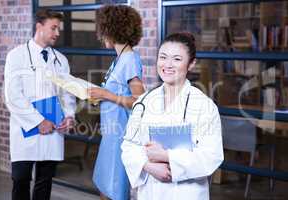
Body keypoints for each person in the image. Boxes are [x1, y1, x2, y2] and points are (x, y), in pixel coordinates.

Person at [121, 32, 224, 200]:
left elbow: (212, 156)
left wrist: (167, 157)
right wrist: (147, 165)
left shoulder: (204, 106)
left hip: (186, 193)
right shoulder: (145, 101)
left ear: (191, 64)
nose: (167, 65)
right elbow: (128, 146)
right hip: (150, 192)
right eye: (163, 57)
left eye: (177, 59)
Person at [4, 9, 76, 200]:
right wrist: (38, 122)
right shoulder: (16, 56)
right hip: (25, 130)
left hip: (53, 131)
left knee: (44, 183)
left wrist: (70, 116)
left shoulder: (61, 60)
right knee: (20, 180)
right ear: (39, 26)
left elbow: (67, 94)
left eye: (58, 28)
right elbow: (12, 96)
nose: (57, 33)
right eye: (53, 28)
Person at [87, 4, 145, 200]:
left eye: (101, 31)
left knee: (113, 192)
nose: (99, 36)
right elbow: (114, 93)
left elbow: (139, 100)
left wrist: (107, 95)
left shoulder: (129, 59)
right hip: (111, 135)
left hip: (120, 138)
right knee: (105, 189)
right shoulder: (120, 59)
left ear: (111, 30)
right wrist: (100, 96)